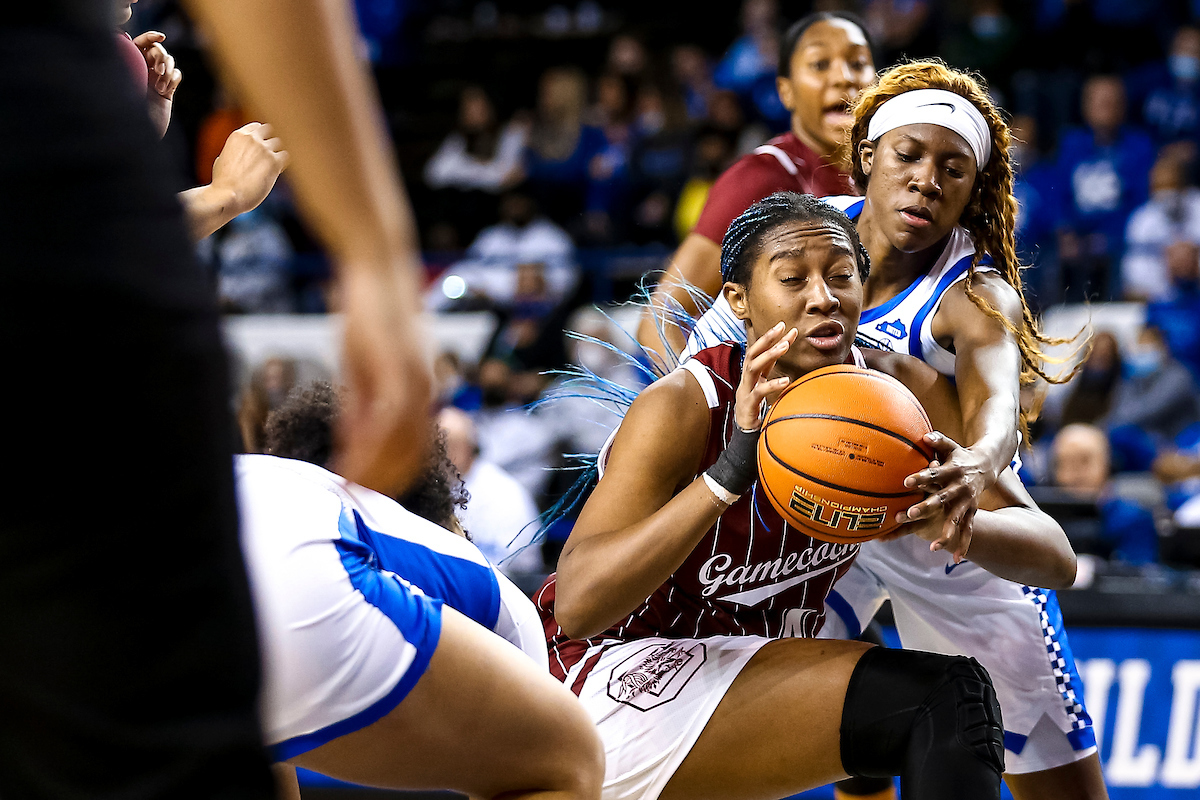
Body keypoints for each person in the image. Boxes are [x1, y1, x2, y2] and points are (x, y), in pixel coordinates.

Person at [539, 193, 1078, 800]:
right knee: (947, 697)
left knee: (874, 675)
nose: (823, 297)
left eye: (842, 276)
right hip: (612, 678)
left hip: (736, 663)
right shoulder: (686, 404)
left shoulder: (893, 400)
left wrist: (951, 517)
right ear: (739, 300)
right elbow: (579, 607)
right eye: (793, 279)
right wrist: (725, 477)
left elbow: (1056, 558)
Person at [685, 62, 1107, 799]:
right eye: (908, 155)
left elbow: (996, 413)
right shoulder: (796, 242)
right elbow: (703, 367)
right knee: (848, 720)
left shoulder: (973, 294)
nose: (926, 181)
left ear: (973, 189)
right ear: (867, 157)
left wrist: (975, 465)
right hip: (824, 528)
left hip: (947, 530)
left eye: (953, 169)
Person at [236, 453, 600, 798]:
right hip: (305, 584)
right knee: (564, 764)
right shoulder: (470, 568)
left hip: (224, 605)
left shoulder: (294, 485)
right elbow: (522, 753)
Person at [637, 10, 876, 362]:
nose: (843, 77)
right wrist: (706, 393)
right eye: (820, 64)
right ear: (786, 91)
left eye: (857, 63)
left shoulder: (886, 178)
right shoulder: (760, 176)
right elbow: (661, 318)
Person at [438, 406, 545, 582]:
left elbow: (500, 564)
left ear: (469, 447)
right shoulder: (434, 486)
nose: (438, 455)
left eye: (448, 446)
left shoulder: (501, 493)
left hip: (505, 583)